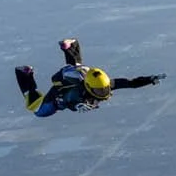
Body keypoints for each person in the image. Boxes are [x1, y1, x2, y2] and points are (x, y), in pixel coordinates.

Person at [15, 37, 162, 116]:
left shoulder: (103, 84)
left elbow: (130, 83)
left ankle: (70, 46)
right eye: (99, 91)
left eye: (102, 89)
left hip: (78, 73)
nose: (102, 93)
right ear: (89, 87)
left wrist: (150, 79)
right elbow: (69, 102)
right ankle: (24, 73)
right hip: (59, 91)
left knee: (76, 66)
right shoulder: (75, 93)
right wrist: (78, 105)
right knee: (38, 110)